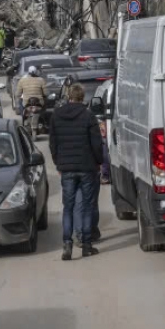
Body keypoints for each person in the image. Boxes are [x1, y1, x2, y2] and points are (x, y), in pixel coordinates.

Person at [48, 84, 104, 261]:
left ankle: (67, 245)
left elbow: (53, 143)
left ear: (68, 97)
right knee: (87, 206)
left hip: (67, 169)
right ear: (82, 98)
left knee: (68, 207)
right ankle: (86, 245)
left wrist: (59, 163)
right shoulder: (89, 116)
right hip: (87, 168)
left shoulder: (57, 115)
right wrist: (99, 163)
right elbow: (96, 144)